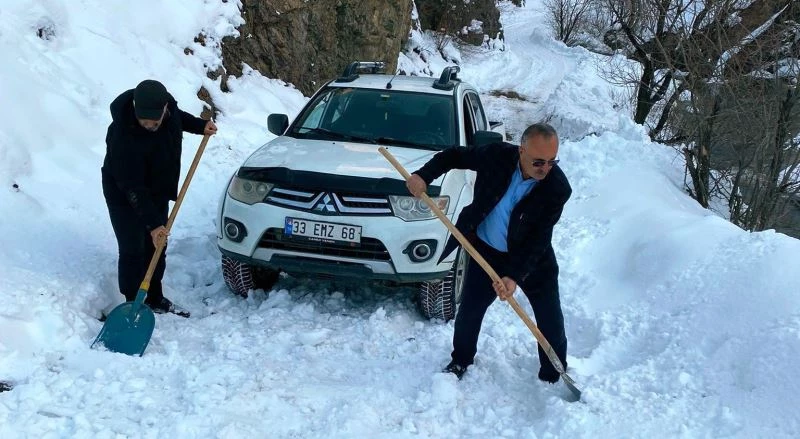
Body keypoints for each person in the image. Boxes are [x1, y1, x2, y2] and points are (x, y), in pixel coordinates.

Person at [406, 123, 571, 383]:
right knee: (470, 311)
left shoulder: (557, 188)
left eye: (552, 161)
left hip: (532, 260)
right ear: (521, 150)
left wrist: (514, 276)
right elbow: (453, 156)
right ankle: (460, 360)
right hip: (486, 251)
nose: (546, 169)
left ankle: (554, 373)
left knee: (549, 318)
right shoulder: (497, 156)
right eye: (539, 162)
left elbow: (538, 239)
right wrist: (423, 176)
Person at [101, 79, 217, 317]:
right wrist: (153, 224)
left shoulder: (168, 110)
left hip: (158, 186)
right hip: (125, 193)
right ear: (134, 108)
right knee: (133, 248)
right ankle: (133, 303)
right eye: (144, 121)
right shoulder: (121, 135)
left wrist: (200, 125)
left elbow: (179, 118)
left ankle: (154, 297)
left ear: (164, 108)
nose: (148, 125)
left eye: (154, 121)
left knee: (157, 246)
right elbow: (131, 185)